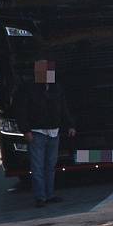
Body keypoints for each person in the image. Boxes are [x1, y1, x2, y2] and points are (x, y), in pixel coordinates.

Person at [13, 59, 75, 208]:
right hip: (37, 132)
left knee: (50, 165)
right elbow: (21, 111)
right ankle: (40, 197)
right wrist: (26, 130)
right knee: (38, 166)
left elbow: (63, 108)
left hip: (54, 131)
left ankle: (50, 194)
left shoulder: (56, 88)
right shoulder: (28, 89)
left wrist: (70, 125)